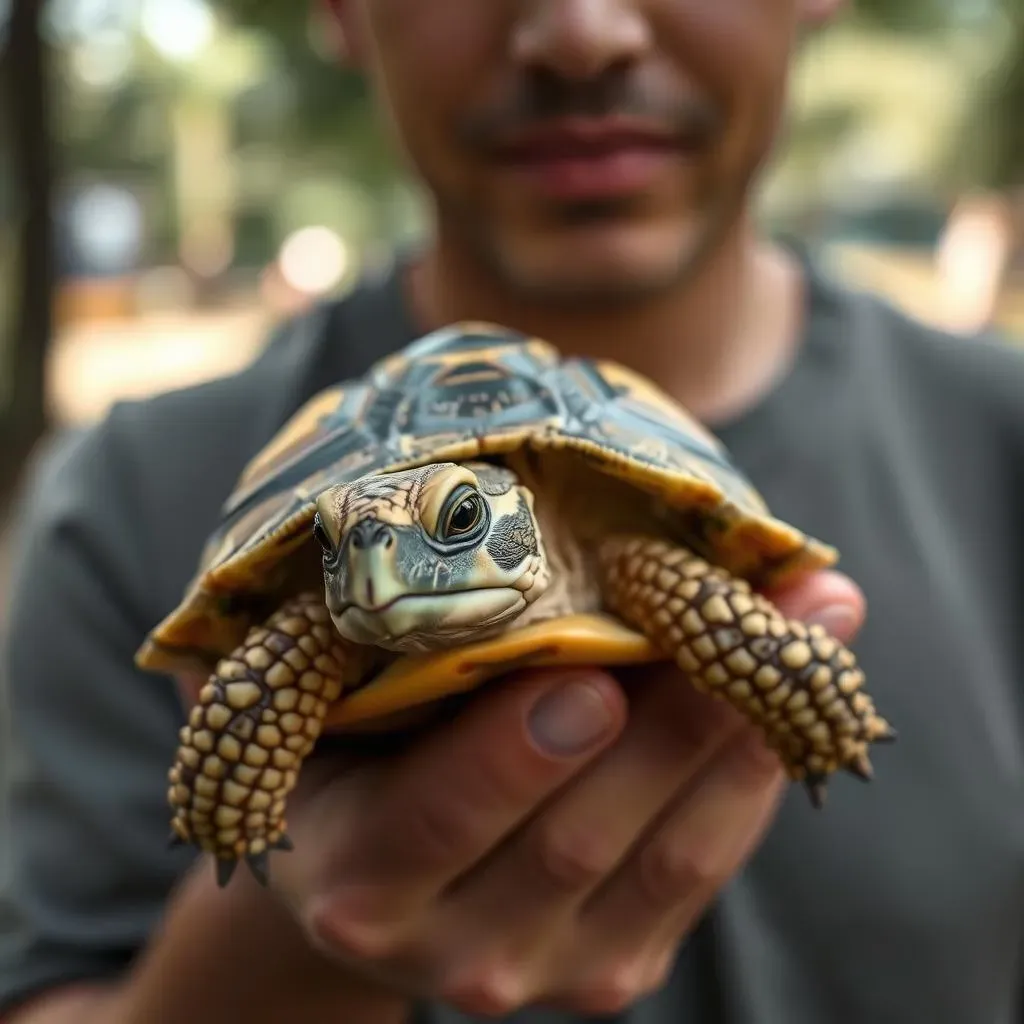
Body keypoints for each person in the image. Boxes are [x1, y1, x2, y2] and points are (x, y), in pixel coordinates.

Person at [3, 1, 1024, 1021]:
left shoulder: (994, 439)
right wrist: (279, 953)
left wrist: (795, 687)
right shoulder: (126, 505)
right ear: (342, 15)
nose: (582, 32)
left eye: (448, 522)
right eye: (356, 538)